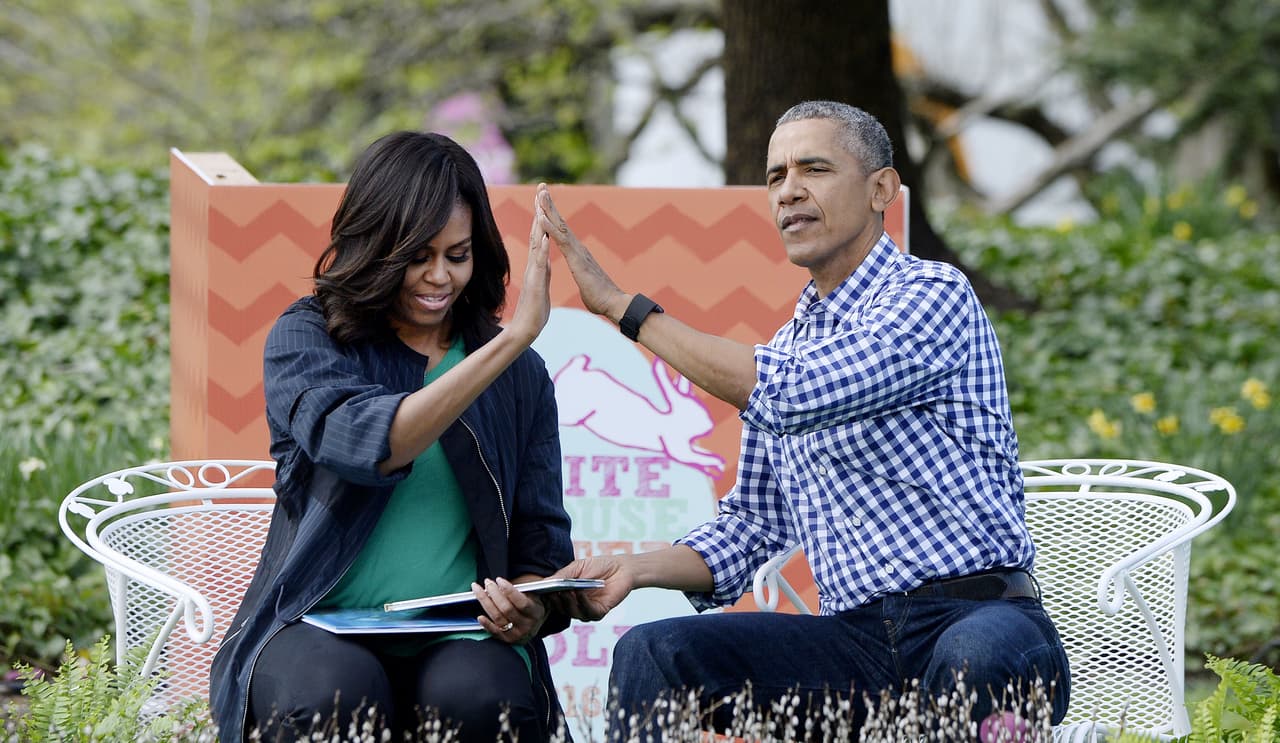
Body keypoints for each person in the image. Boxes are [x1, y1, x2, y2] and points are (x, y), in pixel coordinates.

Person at [538, 101, 1071, 735]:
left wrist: (622, 308)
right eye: (776, 176)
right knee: (654, 652)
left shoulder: (932, 295)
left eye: (814, 169)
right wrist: (632, 567)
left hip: (982, 620)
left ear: (881, 189)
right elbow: (751, 527)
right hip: (857, 649)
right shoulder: (789, 344)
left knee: (972, 658)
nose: (789, 191)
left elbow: (794, 393)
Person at [209, 131, 573, 742]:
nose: (439, 277)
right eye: (417, 256)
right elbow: (367, 444)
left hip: (461, 636)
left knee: (484, 700)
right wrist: (512, 340)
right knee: (334, 697)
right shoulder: (309, 336)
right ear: (375, 246)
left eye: (458, 255)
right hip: (314, 625)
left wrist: (533, 604)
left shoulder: (521, 377)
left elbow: (540, 542)